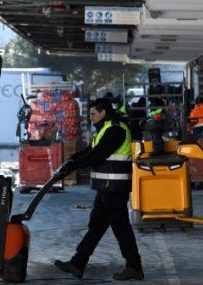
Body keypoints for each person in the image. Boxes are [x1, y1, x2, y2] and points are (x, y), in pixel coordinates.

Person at [53, 98, 144, 281]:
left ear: (103, 112)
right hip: (106, 187)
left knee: (120, 226)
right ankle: (78, 263)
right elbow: (90, 150)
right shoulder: (106, 128)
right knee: (96, 226)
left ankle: (134, 266)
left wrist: (74, 165)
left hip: (115, 186)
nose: (91, 117)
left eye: (93, 113)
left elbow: (98, 155)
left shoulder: (116, 129)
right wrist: (71, 160)